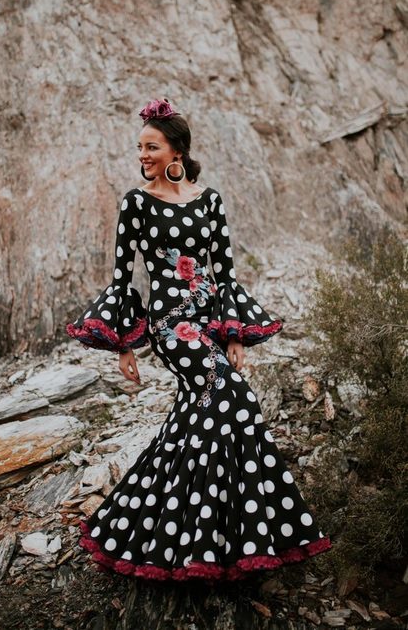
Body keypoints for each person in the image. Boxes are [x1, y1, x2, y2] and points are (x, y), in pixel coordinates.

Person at [65, 99, 332, 582]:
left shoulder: (209, 200)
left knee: (205, 415)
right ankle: (219, 536)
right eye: (139, 147)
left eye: (151, 146)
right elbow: (124, 280)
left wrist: (234, 334)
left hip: (210, 320)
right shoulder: (136, 202)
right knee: (231, 394)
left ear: (176, 150)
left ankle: (164, 529)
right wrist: (124, 345)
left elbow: (225, 273)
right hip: (172, 326)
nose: (142, 155)